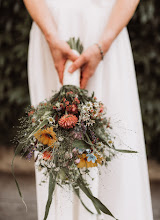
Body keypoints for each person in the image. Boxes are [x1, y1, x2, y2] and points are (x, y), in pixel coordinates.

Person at [23, 0, 153, 219]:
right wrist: (51, 37)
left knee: (116, 147)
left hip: (105, 30)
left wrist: (103, 44)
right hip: (51, 29)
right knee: (57, 149)